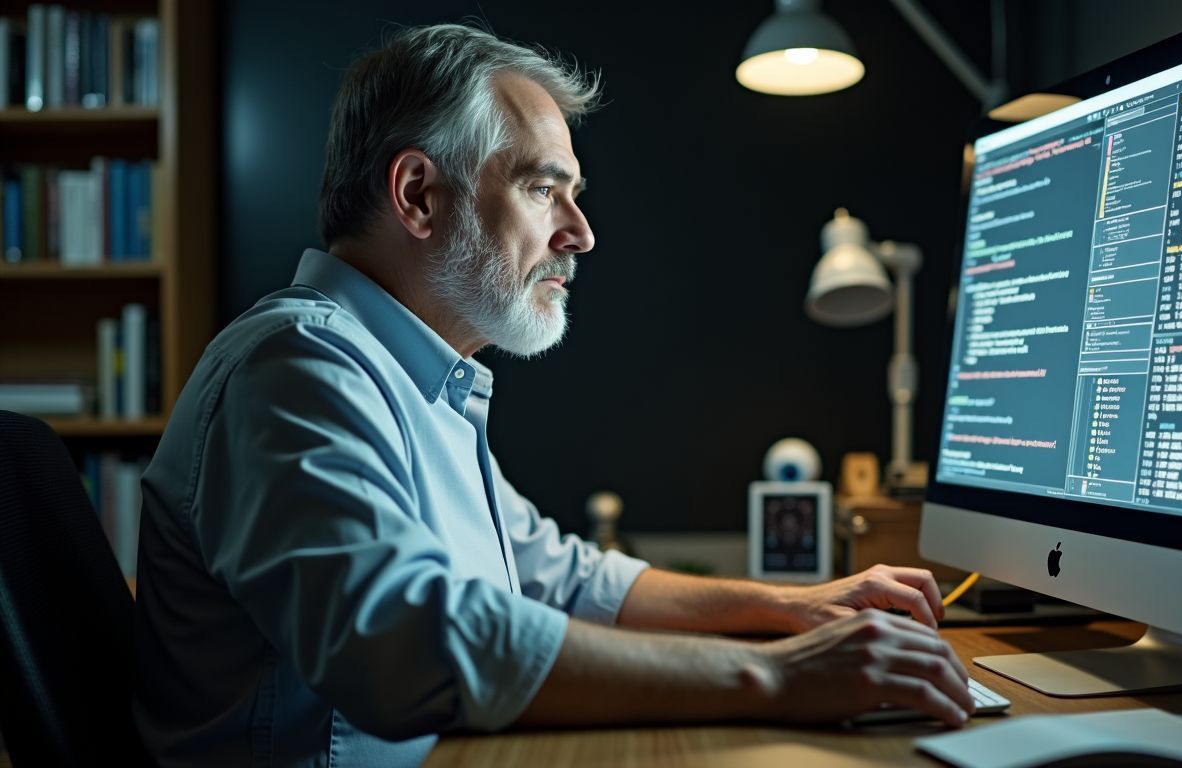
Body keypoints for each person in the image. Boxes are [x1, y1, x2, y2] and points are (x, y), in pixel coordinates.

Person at [133, 23, 974, 767]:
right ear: (418, 195)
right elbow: (410, 645)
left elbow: (562, 580)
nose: (580, 232)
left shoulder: (412, 379)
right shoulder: (299, 368)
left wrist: (793, 609)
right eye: (543, 189)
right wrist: (776, 675)